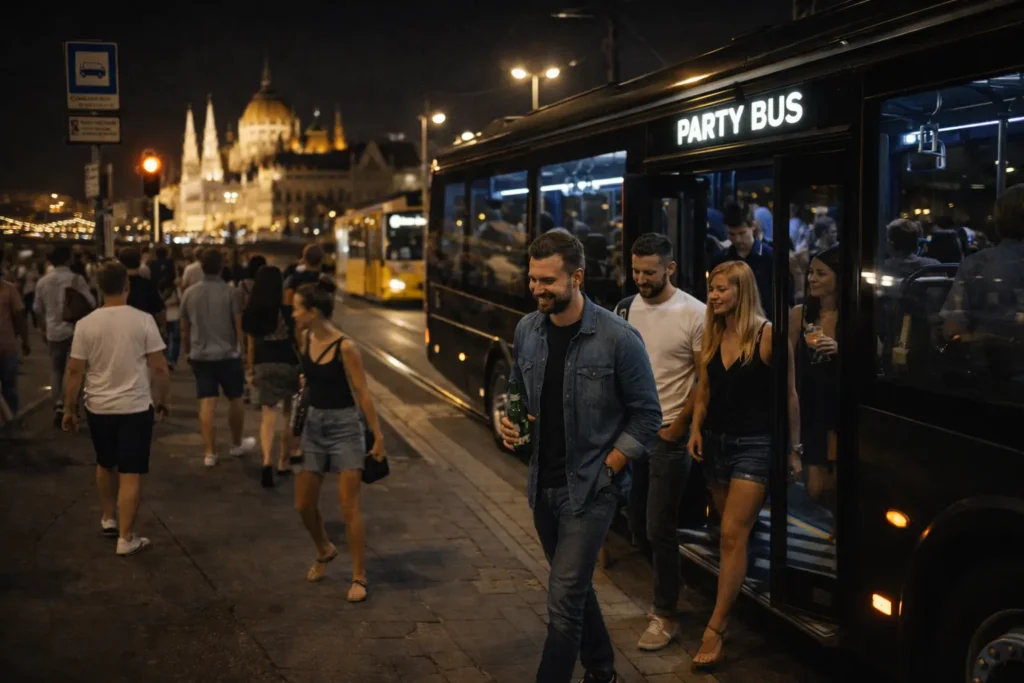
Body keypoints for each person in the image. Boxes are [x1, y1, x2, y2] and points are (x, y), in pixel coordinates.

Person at [498, 231, 661, 683]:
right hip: (542, 486)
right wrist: (513, 423)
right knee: (576, 589)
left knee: (563, 598)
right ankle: (603, 671)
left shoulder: (617, 337)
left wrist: (611, 466)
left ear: (577, 277)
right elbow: (517, 388)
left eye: (547, 281)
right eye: (532, 280)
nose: (537, 290)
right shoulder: (527, 330)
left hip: (591, 489)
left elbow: (648, 417)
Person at [686, 260, 801, 669]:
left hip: (755, 445)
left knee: (733, 535)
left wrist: (793, 448)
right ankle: (737, 588)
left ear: (742, 291)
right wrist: (696, 429)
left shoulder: (768, 336)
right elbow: (704, 389)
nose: (713, 295)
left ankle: (717, 626)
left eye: (720, 289)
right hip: (715, 442)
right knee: (729, 535)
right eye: (711, 289)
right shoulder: (713, 333)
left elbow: (789, 396)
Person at [615, 234, 706, 652]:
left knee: (658, 526)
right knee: (637, 528)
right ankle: (671, 583)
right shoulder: (626, 308)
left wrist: (679, 427)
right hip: (635, 433)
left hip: (670, 434)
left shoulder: (694, 313)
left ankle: (664, 614)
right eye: (635, 271)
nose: (640, 279)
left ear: (670, 268)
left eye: (648, 272)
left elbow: (705, 379)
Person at [61, 261, 170, 556]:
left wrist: (70, 409)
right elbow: (159, 367)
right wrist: (162, 400)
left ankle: (108, 518)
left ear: (99, 288)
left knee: (105, 462)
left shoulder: (86, 324)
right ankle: (126, 537)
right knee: (131, 472)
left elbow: (74, 371)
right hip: (134, 406)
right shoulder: (143, 320)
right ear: (127, 286)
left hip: (98, 406)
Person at [292, 280, 385, 602]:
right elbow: (306, 383)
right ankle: (324, 549)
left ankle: (359, 576)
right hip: (314, 426)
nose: (293, 314)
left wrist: (378, 436)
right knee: (303, 504)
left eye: (297, 308)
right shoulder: (303, 337)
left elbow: (362, 392)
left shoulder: (345, 347)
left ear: (313, 312)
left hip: (346, 426)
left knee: (349, 507)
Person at [180, 248, 256, 466]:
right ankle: (236, 443)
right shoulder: (232, 293)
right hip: (228, 354)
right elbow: (239, 325)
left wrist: (186, 351)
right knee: (235, 398)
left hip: (200, 355)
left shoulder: (189, 293)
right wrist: (243, 352)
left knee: (206, 402)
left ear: (201, 267)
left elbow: (185, 328)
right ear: (222, 267)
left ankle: (210, 453)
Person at [789, 247, 840, 511]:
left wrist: (840, 349)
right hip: (812, 407)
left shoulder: (854, 315)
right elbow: (784, 361)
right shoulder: (800, 314)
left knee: (839, 484)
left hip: (840, 405)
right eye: (810, 273)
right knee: (816, 488)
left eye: (821, 273)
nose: (812, 279)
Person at [242, 265, 300, 487]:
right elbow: (297, 341)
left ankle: (266, 462)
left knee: (268, 417)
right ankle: (283, 462)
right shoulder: (287, 312)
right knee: (288, 415)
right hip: (288, 364)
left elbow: (250, 347)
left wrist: (250, 370)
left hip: (263, 365)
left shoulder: (252, 313)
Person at [34, 245, 96, 427]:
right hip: (76, 330)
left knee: (56, 369)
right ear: (68, 259)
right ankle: (72, 406)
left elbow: (37, 309)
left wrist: (43, 328)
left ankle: (59, 405)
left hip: (54, 331)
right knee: (75, 370)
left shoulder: (43, 281)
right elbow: (90, 303)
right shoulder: (76, 279)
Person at [709, 201, 778, 319]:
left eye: (742, 233)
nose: (737, 239)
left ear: (753, 226)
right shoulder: (720, 260)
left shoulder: (770, 257)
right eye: (732, 234)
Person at [0, 246, 31, 418]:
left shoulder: (9, 289)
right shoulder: (9, 289)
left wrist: (25, 340)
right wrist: (25, 341)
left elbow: (19, 317)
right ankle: (11, 421)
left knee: (9, 388)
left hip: (6, 346)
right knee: (9, 388)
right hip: (7, 346)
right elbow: (19, 317)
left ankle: (10, 420)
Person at [119, 247, 167, 338]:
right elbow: (159, 310)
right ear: (139, 261)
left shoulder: (116, 286)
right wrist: (163, 328)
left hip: (120, 331)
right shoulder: (148, 285)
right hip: (143, 332)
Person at [162, 273, 183, 371]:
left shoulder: (162, 290)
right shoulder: (175, 289)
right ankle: (171, 360)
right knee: (175, 340)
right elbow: (180, 300)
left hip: (168, 316)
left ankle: (169, 360)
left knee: (166, 340)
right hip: (174, 316)